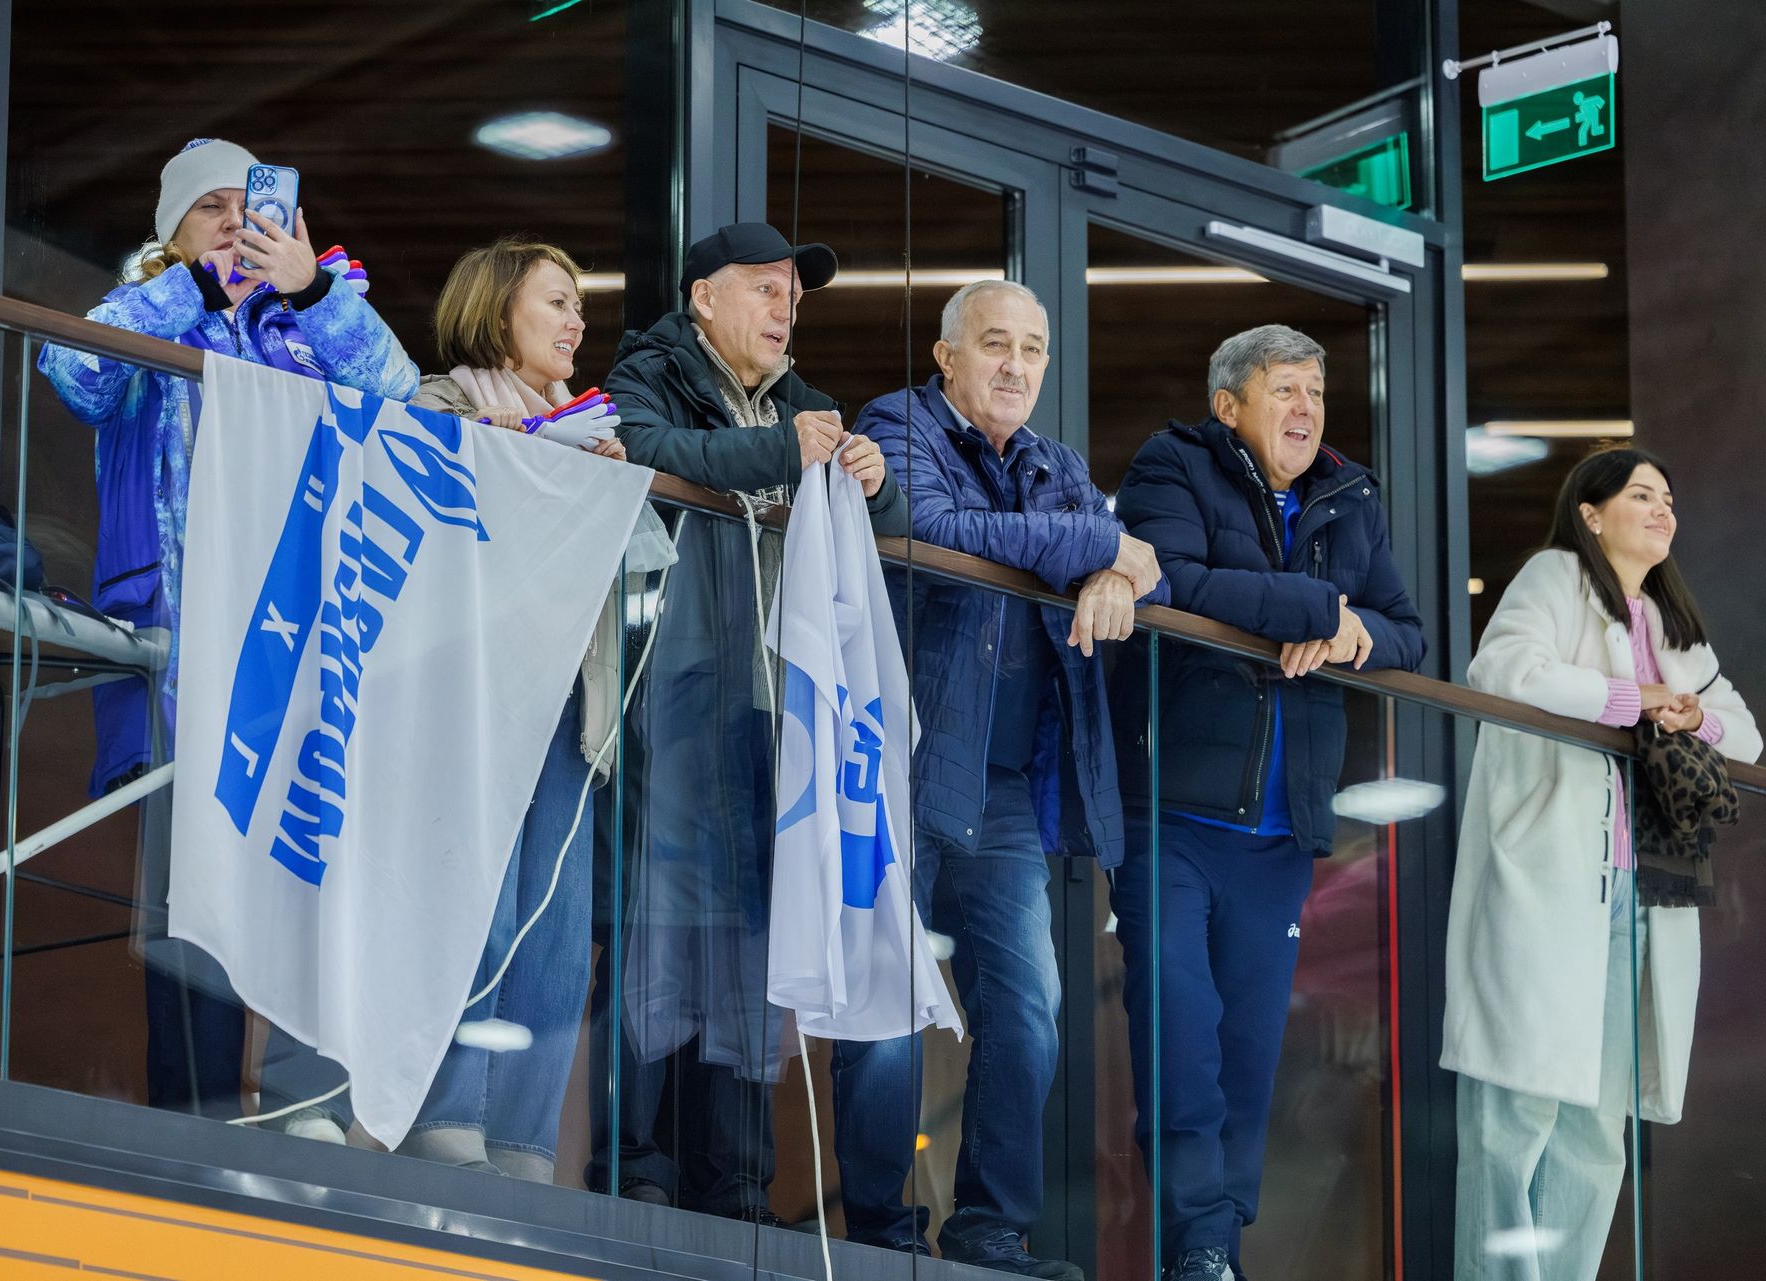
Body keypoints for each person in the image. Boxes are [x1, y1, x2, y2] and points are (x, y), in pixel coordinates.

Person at [37, 138, 417, 1120]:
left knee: (300, 879)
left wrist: (312, 289)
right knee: (195, 897)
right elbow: (72, 369)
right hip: (183, 647)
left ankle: (299, 1109)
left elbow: (402, 396)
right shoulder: (153, 308)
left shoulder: (303, 321)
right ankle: (197, 1114)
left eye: (250, 208)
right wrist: (197, 288)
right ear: (171, 231)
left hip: (299, 647)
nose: (236, 223)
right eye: (212, 207)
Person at [255, 238, 650, 1178]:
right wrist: (506, 456)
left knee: (554, 936)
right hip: (466, 701)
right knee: (478, 907)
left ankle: (521, 1140)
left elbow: (635, 570)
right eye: (556, 301)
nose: (577, 320)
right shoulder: (439, 404)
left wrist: (606, 481)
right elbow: (407, 515)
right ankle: (449, 1115)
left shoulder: (591, 428)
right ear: (496, 312)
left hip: (568, 702)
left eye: (579, 305)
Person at [840, 279, 1165, 1279]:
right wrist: (1099, 544)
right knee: (887, 997)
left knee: (1030, 1004)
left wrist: (1114, 571)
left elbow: (1146, 562)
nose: (1016, 365)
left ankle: (989, 1232)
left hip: (1013, 785)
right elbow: (939, 531)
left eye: (1032, 348)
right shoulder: (897, 423)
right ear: (948, 358)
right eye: (995, 344)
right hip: (903, 759)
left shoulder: (1055, 464)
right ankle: (878, 1231)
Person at [585, 221, 906, 1224]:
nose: (785, 307)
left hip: (775, 705)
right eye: (764, 287)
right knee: (662, 927)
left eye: (793, 296)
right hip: (674, 688)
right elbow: (642, 450)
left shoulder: (807, 403)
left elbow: (884, 536)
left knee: (754, 936)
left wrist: (875, 488)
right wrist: (780, 449)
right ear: (703, 297)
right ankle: (635, 1160)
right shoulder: (648, 371)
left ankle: (732, 1178)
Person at [1110, 324, 1425, 1281]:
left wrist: (1349, 634)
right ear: (1229, 403)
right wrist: (1315, 611)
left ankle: (1216, 1244)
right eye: (1285, 389)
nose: (1305, 410)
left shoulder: (1349, 493)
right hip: (1172, 815)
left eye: (1315, 394)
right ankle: (1193, 1238)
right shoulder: (1173, 463)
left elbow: (1405, 631)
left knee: (1247, 1050)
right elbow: (1173, 580)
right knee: (1180, 1034)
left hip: (1284, 829)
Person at [1443, 449, 1759, 1281]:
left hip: (1642, 891)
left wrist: (1691, 716)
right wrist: (1633, 700)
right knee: (1515, 1110)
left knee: (1595, 1128)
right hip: (1550, 881)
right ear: (1591, 512)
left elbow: (1746, 733)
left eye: (1670, 498)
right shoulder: (1555, 577)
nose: (1663, 509)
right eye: (1642, 494)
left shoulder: (1671, 625)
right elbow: (1503, 668)